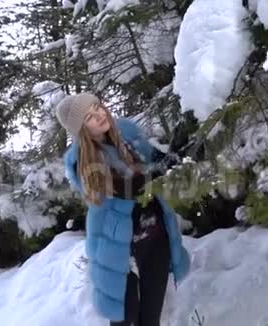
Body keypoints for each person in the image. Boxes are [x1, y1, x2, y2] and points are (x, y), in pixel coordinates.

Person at [55, 93, 191, 326]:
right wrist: (159, 171)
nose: (99, 115)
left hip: (154, 234)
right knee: (125, 319)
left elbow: (157, 157)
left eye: (97, 107)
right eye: (89, 117)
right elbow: (127, 188)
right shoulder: (84, 160)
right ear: (81, 130)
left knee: (150, 317)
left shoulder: (127, 133)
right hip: (118, 249)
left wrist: (176, 151)